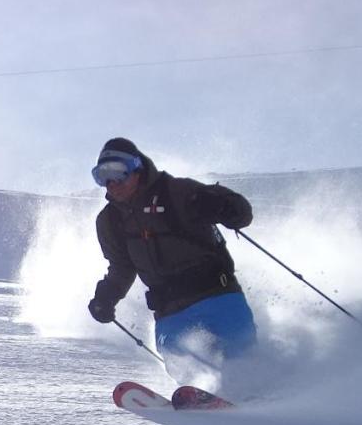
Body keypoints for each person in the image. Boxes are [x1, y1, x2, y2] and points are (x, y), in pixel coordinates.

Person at [86, 137, 258, 377]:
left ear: (136, 168)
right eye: (102, 175)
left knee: (243, 361)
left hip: (217, 298)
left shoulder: (177, 191)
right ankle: (205, 404)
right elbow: (121, 267)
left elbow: (242, 214)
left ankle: (263, 397)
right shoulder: (109, 222)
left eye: (118, 171)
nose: (111, 182)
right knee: (186, 371)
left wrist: (222, 206)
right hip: (170, 311)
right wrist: (106, 296)